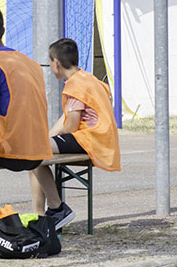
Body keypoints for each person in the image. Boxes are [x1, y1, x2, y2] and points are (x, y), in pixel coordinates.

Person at [0, 4, 74, 228]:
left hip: (10, 150)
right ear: (3, 30)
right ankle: (56, 207)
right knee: (27, 160)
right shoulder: (30, 63)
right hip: (37, 148)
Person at [46, 38, 121, 173]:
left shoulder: (74, 86)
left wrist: (57, 136)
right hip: (103, 139)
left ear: (56, 63)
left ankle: (52, 195)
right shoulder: (88, 78)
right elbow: (66, 116)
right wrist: (50, 136)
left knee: (36, 150)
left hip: (88, 139)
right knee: (39, 150)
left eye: (50, 62)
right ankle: (52, 195)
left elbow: (71, 126)